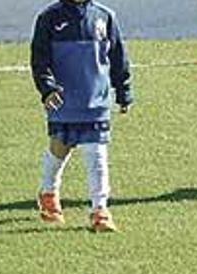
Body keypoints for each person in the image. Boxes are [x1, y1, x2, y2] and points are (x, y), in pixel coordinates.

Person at [30, 0, 133, 232]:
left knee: (96, 154)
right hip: (63, 101)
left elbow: (118, 57)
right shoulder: (49, 18)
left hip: (96, 102)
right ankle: (49, 192)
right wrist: (48, 89)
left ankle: (100, 210)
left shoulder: (104, 17)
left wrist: (124, 91)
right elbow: (40, 60)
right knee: (60, 147)